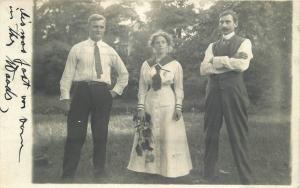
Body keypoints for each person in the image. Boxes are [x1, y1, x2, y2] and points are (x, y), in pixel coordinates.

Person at [60, 14, 129, 180]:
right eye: (95, 26)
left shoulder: (109, 50)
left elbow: (124, 73)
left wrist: (114, 91)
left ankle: (99, 173)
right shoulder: (77, 48)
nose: (98, 30)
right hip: (81, 92)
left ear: (104, 29)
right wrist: (65, 97)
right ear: (88, 28)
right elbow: (67, 75)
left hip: (101, 93)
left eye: (101, 27)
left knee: (100, 134)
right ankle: (68, 174)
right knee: (75, 134)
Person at [127, 30, 192, 178]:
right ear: (153, 46)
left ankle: (169, 169)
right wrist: (141, 107)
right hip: (150, 101)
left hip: (168, 101)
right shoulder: (146, 65)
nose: (160, 45)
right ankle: (150, 169)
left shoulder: (175, 64)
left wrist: (178, 106)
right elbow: (143, 88)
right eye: (157, 43)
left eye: (163, 42)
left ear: (168, 45)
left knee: (168, 133)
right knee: (148, 133)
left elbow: (179, 88)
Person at [200, 10, 253, 184]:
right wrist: (228, 61)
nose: (224, 25)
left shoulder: (244, 42)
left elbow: (241, 65)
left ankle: (246, 179)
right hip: (213, 93)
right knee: (210, 134)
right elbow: (203, 69)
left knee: (238, 134)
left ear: (235, 24)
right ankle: (209, 176)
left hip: (234, 93)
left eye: (228, 22)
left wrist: (217, 61)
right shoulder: (211, 46)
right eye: (221, 22)